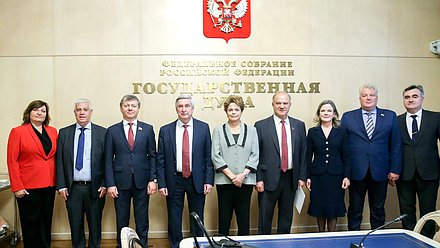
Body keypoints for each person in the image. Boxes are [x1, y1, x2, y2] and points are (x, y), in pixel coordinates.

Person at [341, 83, 402, 230]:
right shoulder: (348, 117)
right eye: (364, 95)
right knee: (355, 209)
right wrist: (345, 173)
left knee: (378, 209)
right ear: (359, 98)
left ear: (377, 97)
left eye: (372, 95)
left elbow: (396, 145)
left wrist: (395, 169)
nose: (368, 98)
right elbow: (343, 147)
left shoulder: (389, 116)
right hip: (356, 171)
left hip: (381, 171)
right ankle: (353, 237)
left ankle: (377, 238)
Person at [157, 94, 214, 248]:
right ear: (176, 109)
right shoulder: (165, 130)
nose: (184, 109)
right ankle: (176, 245)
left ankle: (197, 245)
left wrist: (209, 180)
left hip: (197, 180)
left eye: (187, 106)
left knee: (197, 216)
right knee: (174, 217)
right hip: (173, 180)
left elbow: (208, 157)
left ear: (192, 108)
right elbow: (160, 159)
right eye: (180, 106)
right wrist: (161, 183)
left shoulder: (203, 128)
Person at [104, 94, 157, 248]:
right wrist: (110, 184)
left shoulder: (147, 129)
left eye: (133, 105)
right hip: (120, 183)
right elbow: (108, 159)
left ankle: (142, 246)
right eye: (126, 105)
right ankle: (123, 246)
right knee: (122, 220)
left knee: (142, 219)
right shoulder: (112, 131)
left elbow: (153, 156)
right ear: (121, 108)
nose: (130, 108)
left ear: (138, 108)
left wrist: (152, 180)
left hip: (142, 181)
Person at [56, 99, 107, 248]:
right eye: (79, 110)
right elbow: (59, 161)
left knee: (95, 225)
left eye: (85, 109)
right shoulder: (64, 133)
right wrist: (61, 186)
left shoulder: (103, 132)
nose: (82, 112)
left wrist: (105, 184)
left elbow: (108, 161)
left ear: (91, 112)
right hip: (73, 189)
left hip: (96, 188)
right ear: (75, 113)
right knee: (75, 224)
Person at [254, 91, 307, 235]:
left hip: (290, 178)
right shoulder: (260, 126)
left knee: (286, 218)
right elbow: (256, 155)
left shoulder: (299, 125)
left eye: (285, 103)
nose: (282, 106)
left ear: (290, 105)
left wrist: (302, 177)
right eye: (278, 103)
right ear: (273, 104)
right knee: (265, 218)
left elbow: (303, 153)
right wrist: (258, 178)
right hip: (267, 179)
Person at [7, 100, 57, 248]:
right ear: (29, 112)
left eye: (43, 111)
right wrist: (17, 186)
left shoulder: (52, 131)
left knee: (46, 221)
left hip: (49, 184)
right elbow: (12, 160)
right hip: (28, 187)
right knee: (30, 224)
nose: (39, 113)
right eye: (36, 110)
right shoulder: (18, 132)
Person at [211, 95, 259, 236]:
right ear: (226, 111)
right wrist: (233, 177)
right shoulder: (218, 131)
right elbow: (215, 155)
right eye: (230, 109)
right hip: (224, 181)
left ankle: (244, 244)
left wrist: (242, 175)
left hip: (245, 181)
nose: (233, 112)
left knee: (244, 218)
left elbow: (255, 154)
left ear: (241, 111)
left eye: (236, 109)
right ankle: (222, 245)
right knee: (224, 218)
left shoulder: (252, 130)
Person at [397, 85, 440, 238]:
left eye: (414, 96)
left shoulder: (435, 118)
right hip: (404, 174)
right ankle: (409, 239)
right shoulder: (397, 121)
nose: (410, 100)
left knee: (428, 211)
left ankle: (426, 240)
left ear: (422, 98)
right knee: (406, 211)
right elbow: (393, 148)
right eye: (407, 97)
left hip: (429, 173)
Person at [305, 100, 350, 232]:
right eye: (323, 111)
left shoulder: (341, 132)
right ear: (318, 114)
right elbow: (307, 157)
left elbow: (347, 156)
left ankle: (332, 235)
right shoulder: (313, 132)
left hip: (336, 176)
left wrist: (347, 176)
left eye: (329, 111)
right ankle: (321, 235)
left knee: (333, 207)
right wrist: (307, 176)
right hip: (317, 176)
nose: (326, 113)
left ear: (334, 114)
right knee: (319, 207)